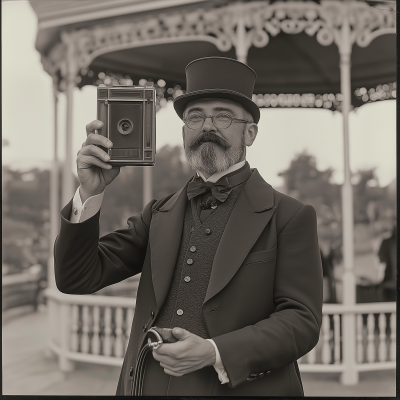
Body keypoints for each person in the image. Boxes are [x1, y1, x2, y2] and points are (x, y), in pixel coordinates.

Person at [54, 57, 323, 396]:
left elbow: (302, 322)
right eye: (195, 116)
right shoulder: (158, 213)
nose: (207, 126)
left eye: (223, 115)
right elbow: (76, 277)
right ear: (184, 133)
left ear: (250, 133)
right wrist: (90, 193)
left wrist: (215, 351)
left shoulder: (290, 216)